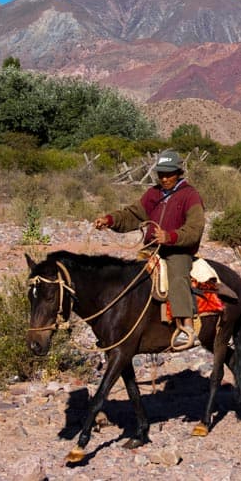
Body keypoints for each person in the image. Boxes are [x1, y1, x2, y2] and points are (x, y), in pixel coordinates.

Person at [94, 150, 205, 349]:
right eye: (161, 174)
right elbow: (132, 215)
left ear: (179, 172)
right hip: (152, 249)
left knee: (178, 276)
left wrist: (170, 237)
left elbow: (195, 229)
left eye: (169, 174)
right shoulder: (153, 193)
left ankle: (186, 327)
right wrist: (109, 220)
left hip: (178, 250)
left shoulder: (190, 195)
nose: (164, 178)